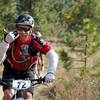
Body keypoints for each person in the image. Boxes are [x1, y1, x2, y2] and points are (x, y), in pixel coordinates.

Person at [0, 14, 58, 100]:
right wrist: (5, 42)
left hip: (27, 71)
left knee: (28, 96)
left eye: (26, 28)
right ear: (16, 28)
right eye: (20, 28)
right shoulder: (10, 38)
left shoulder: (35, 40)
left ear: (31, 29)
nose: (23, 32)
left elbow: (53, 55)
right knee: (9, 94)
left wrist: (51, 72)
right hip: (10, 70)